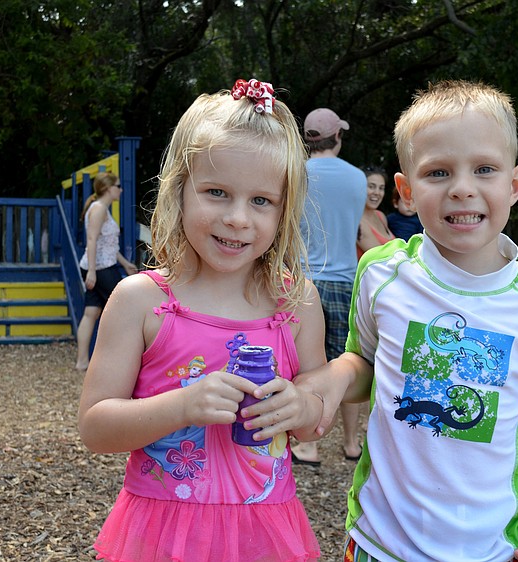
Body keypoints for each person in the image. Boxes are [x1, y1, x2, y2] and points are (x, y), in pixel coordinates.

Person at [295, 80, 518, 562]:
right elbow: (364, 361)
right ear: (406, 191)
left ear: (514, 184)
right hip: (378, 543)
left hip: (493, 549)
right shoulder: (382, 274)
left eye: (485, 169)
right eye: (439, 172)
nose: (463, 188)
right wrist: (334, 376)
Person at [77, 79, 327, 562]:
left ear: (284, 209)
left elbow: (317, 407)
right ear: (179, 191)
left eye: (260, 201)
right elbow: (95, 427)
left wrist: (304, 407)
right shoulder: (140, 301)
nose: (237, 218)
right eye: (216, 192)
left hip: (265, 532)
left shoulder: (296, 303)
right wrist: (184, 405)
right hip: (161, 534)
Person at [291, 107, 367, 467]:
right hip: (344, 281)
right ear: (337, 136)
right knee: (346, 363)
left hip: (302, 280)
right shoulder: (357, 179)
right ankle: (351, 443)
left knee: (304, 363)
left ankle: (307, 443)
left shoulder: (296, 174)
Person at [75, 172, 138, 371]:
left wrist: (125, 263)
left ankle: (82, 361)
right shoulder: (100, 209)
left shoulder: (103, 209)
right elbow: (91, 240)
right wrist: (92, 271)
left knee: (91, 313)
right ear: (108, 188)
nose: (121, 189)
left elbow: (107, 244)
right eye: (118, 186)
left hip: (101, 265)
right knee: (126, 310)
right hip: (101, 269)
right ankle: (122, 361)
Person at [356, 165, 396, 258]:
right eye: (371, 186)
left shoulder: (380, 216)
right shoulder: (356, 220)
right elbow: (382, 258)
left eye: (381, 188)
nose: (377, 192)